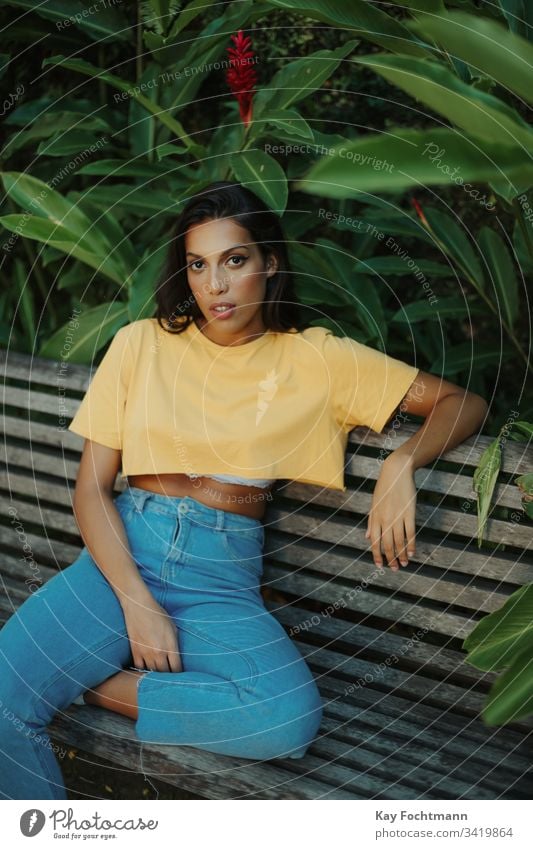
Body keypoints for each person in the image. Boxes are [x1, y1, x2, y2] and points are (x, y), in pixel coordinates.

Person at [0, 181, 488, 799]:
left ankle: (90, 681)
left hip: (220, 576)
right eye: (198, 266)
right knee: (2, 701)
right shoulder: (140, 344)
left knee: (284, 719)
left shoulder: (318, 358)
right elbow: (92, 490)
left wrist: (402, 464)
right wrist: (138, 603)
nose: (215, 285)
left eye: (235, 261)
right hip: (128, 550)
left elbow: (458, 401)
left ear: (270, 262)